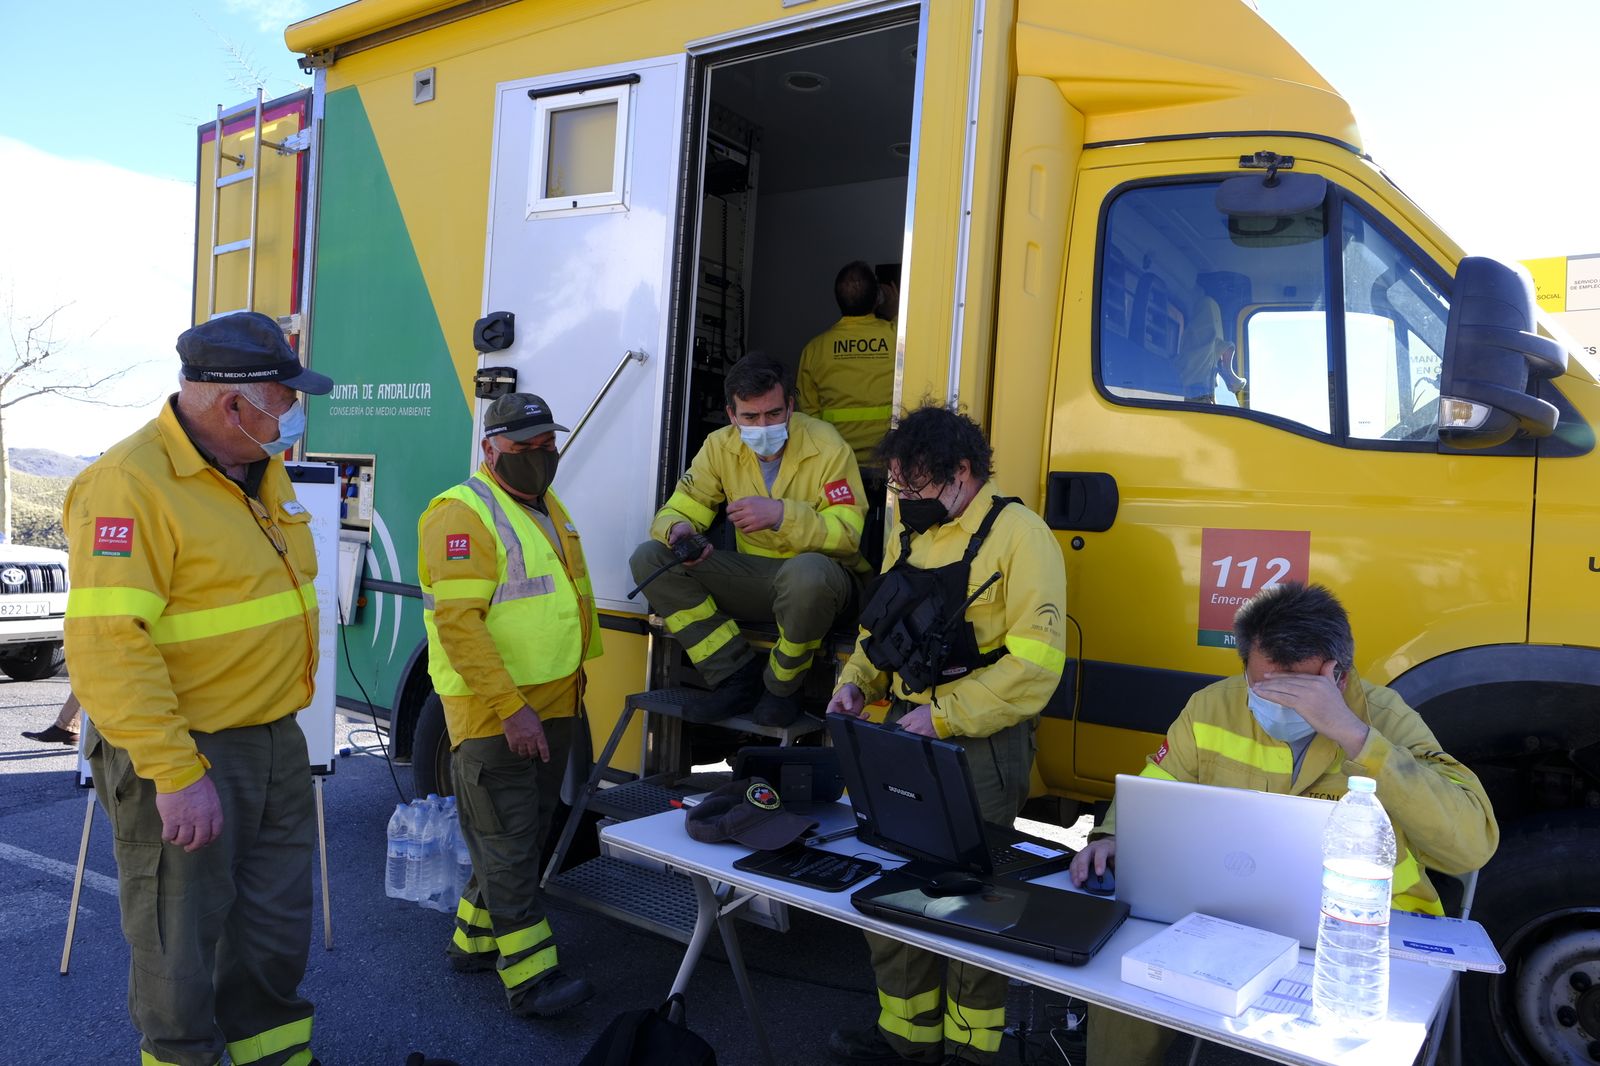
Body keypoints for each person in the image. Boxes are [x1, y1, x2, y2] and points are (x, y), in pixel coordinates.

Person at [1068, 582, 1499, 1066]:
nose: (1276, 702)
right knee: (1122, 989)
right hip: (1231, 915)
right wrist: (1114, 836)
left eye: (1296, 690)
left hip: (1360, 941)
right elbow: (1156, 788)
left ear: (1337, 675)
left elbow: (1471, 845)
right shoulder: (1211, 707)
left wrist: (1355, 736)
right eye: (1263, 686)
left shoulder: (1386, 719)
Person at [63, 311, 332, 1066]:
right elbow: (109, 647)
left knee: (274, 928)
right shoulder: (128, 483)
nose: (294, 414)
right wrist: (176, 774)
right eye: (285, 398)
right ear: (233, 404)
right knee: (178, 943)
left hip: (274, 739)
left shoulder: (259, 469)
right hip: (187, 750)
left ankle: (272, 1053)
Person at [826, 404, 1068, 1066]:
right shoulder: (912, 533)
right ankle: (906, 1039)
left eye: (917, 485)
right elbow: (881, 631)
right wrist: (856, 682)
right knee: (895, 884)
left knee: (971, 903)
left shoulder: (1021, 536)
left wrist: (945, 715)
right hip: (903, 734)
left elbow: (1035, 666)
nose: (907, 499)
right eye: (899, 487)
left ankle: (971, 1051)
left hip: (978, 747)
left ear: (962, 472)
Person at [418, 391, 602, 1018]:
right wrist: (510, 708)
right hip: (496, 712)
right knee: (509, 843)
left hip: (554, 700)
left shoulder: (545, 504)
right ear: (490, 449)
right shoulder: (461, 514)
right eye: (526, 446)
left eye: (548, 443)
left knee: (523, 832)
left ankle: (472, 941)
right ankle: (532, 979)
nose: (541, 455)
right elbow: (460, 626)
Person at [630, 353, 867, 727]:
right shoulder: (719, 446)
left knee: (806, 574)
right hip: (759, 580)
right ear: (731, 415)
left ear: (790, 407)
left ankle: (782, 688)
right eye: (751, 417)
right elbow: (681, 506)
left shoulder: (828, 445)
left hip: (823, 585)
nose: (763, 426)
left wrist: (781, 515)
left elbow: (848, 535)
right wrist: (679, 531)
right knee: (649, 558)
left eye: (773, 414)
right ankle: (735, 675)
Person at [797, 260, 899, 465]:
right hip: (889, 463)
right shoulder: (897, 337)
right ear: (877, 298)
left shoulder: (814, 349)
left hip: (838, 464)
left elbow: (810, 417)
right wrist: (896, 310)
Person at [1174, 291, 1246, 401]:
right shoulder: (1205, 339)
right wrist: (1230, 373)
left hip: (1197, 393)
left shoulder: (1193, 340)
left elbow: (1226, 347)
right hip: (1196, 395)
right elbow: (1227, 347)